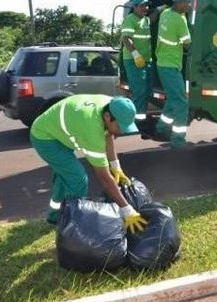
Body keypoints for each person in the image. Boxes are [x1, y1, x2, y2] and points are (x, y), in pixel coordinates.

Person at [30, 94, 148, 234]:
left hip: (59, 131)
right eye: (119, 126)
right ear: (107, 117)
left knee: (65, 176)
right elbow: (104, 178)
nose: (121, 131)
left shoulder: (111, 105)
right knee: (77, 179)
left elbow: (108, 134)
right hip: (45, 137)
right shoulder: (91, 128)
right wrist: (126, 209)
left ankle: (55, 216)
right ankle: (73, 228)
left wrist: (116, 167)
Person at [153, 0, 195, 149]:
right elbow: (187, 44)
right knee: (182, 103)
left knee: (172, 99)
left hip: (163, 64)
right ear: (178, 3)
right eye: (187, 3)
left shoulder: (165, 14)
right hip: (171, 66)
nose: (189, 6)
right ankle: (178, 140)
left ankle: (161, 128)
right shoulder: (179, 19)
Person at [121, 0, 153, 133]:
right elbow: (126, 39)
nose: (145, 8)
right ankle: (135, 123)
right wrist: (136, 55)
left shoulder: (145, 20)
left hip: (146, 60)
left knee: (145, 90)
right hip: (134, 60)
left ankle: (140, 119)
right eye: (142, 6)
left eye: (146, 6)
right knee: (139, 91)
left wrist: (160, 8)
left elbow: (153, 17)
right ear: (134, 7)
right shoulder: (130, 19)